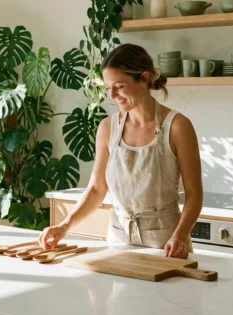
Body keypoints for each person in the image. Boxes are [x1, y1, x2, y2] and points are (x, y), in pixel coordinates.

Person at [37, 44, 203, 259]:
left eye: (119, 86)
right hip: (119, 240)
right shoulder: (108, 128)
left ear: (143, 79)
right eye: (108, 87)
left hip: (167, 243)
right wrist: (64, 226)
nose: (112, 95)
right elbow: (97, 189)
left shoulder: (178, 127)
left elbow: (195, 195)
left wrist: (180, 235)